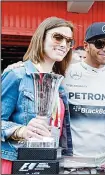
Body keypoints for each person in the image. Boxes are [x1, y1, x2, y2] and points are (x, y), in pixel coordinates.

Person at [1, 17, 74, 174]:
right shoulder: (17, 74)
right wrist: (21, 131)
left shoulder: (59, 82)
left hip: (50, 161)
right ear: (41, 37)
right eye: (58, 37)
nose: (64, 44)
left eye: (69, 41)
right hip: (17, 161)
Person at [61, 22, 105, 174]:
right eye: (99, 43)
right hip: (72, 166)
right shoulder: (66, 72)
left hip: (104, 164)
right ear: (86, 46)